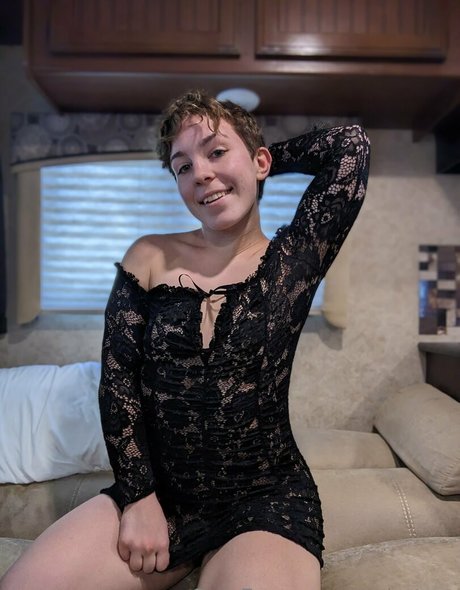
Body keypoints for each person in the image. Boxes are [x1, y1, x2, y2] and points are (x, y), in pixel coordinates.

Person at [0, 89, 370, 590]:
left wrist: (254, 163)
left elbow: (349, 145)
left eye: (216, 152)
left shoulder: (295, 259)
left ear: (260, 161)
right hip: (162, 497)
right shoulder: (149, 255)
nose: (201, 173)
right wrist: (138, 497)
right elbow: (119, 383)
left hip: (265, 498)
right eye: (183, 167)